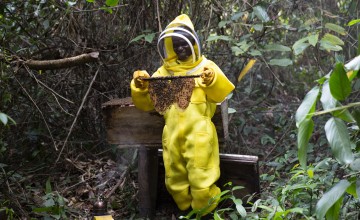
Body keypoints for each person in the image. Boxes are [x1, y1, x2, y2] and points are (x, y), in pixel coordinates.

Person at [130, 14, 235, 214]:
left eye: (184, 44)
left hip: (199, 135)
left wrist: (211, 80)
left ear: (194, 44)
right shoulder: (164, 72)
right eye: (176, 45)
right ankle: (185, 212)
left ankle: (206, 213)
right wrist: (140, 85)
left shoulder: (206, 67)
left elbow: (220, 93)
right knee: (174, 180)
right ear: (169, 46)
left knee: (201, 178)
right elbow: (146, 103)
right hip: (171, 135)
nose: (180, 49)